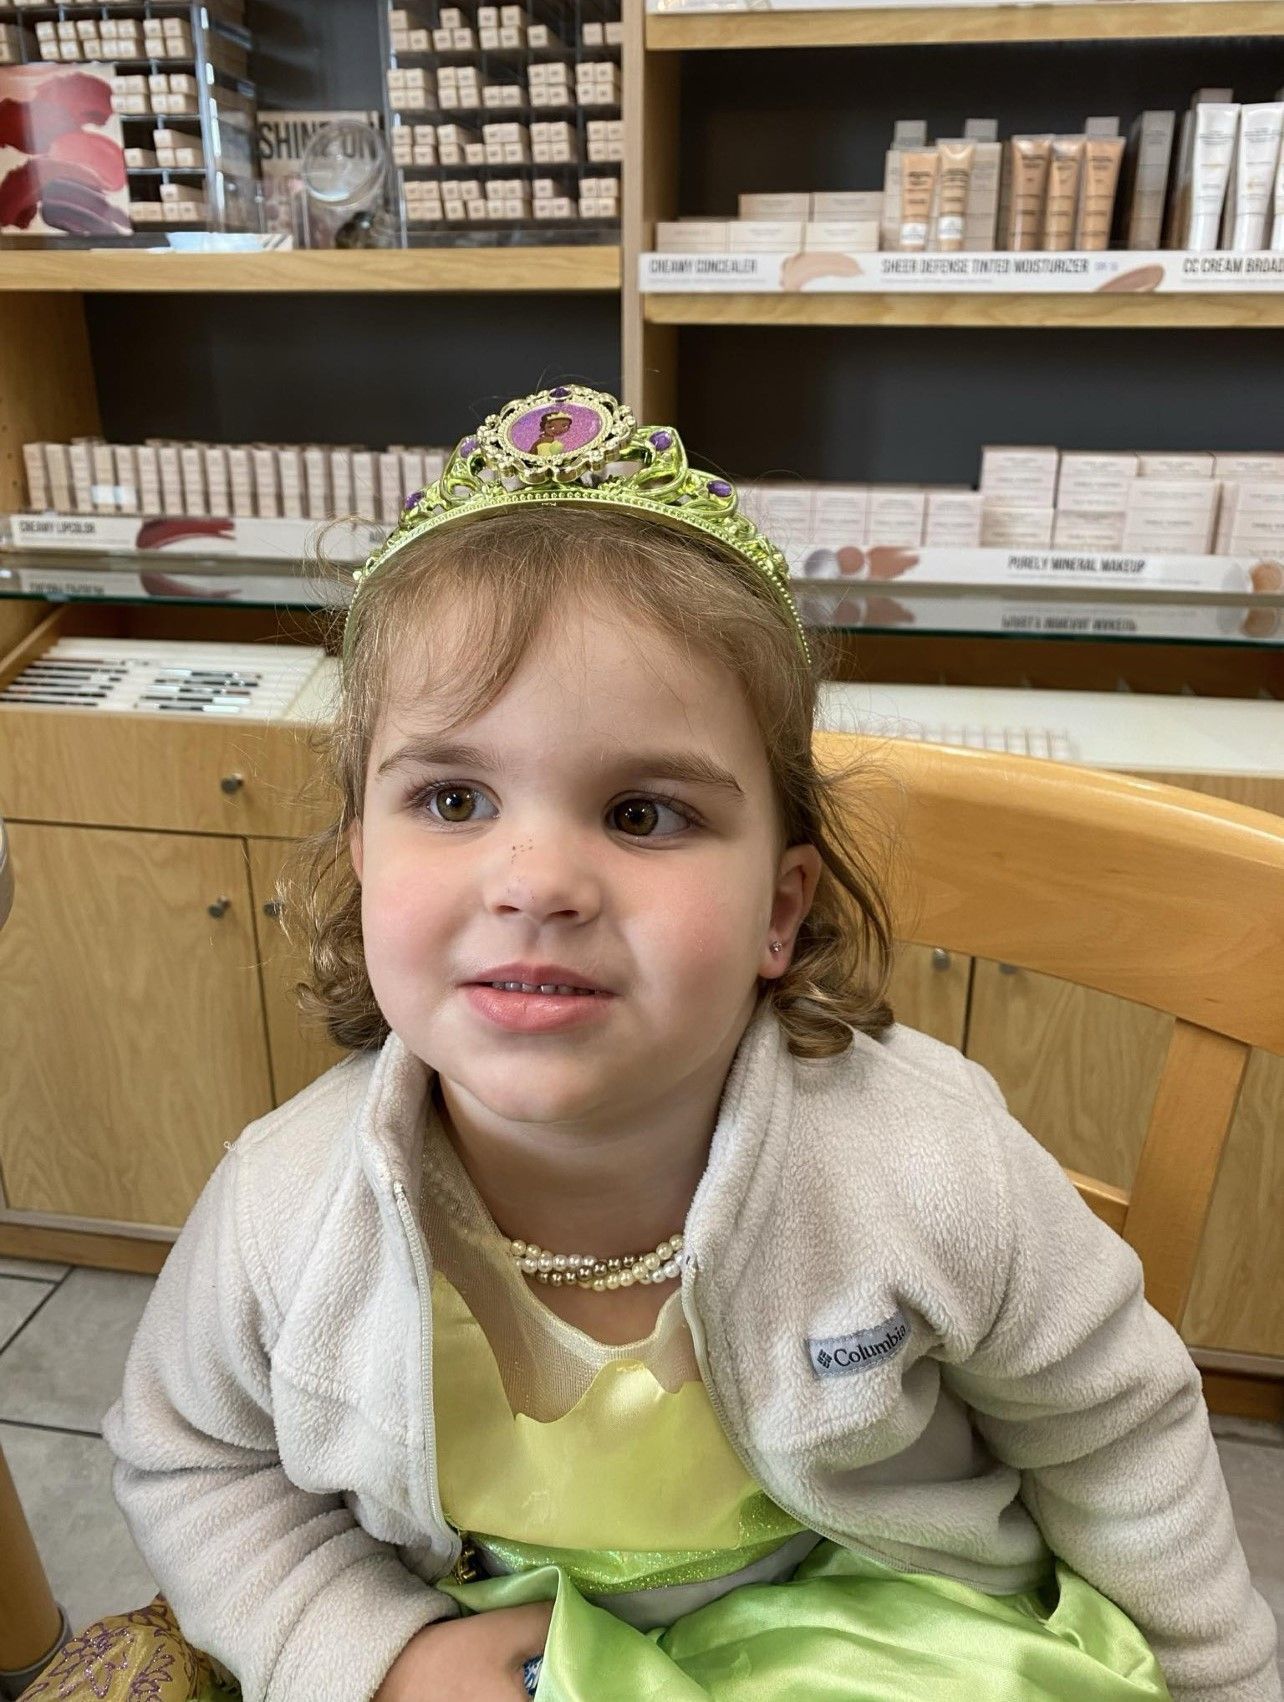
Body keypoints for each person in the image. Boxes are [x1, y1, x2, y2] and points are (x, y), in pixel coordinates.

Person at [82, 385, 1275, 1702]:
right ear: (364, 861)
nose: (537, 878)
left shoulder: (929, 1165)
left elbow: (1117, 1428)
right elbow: (191, 1457)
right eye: (455, 797)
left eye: (643, 812)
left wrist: (1220, 1679)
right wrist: (371, 1648)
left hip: (890, 1639)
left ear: (778, 906)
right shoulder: (280, 1206)